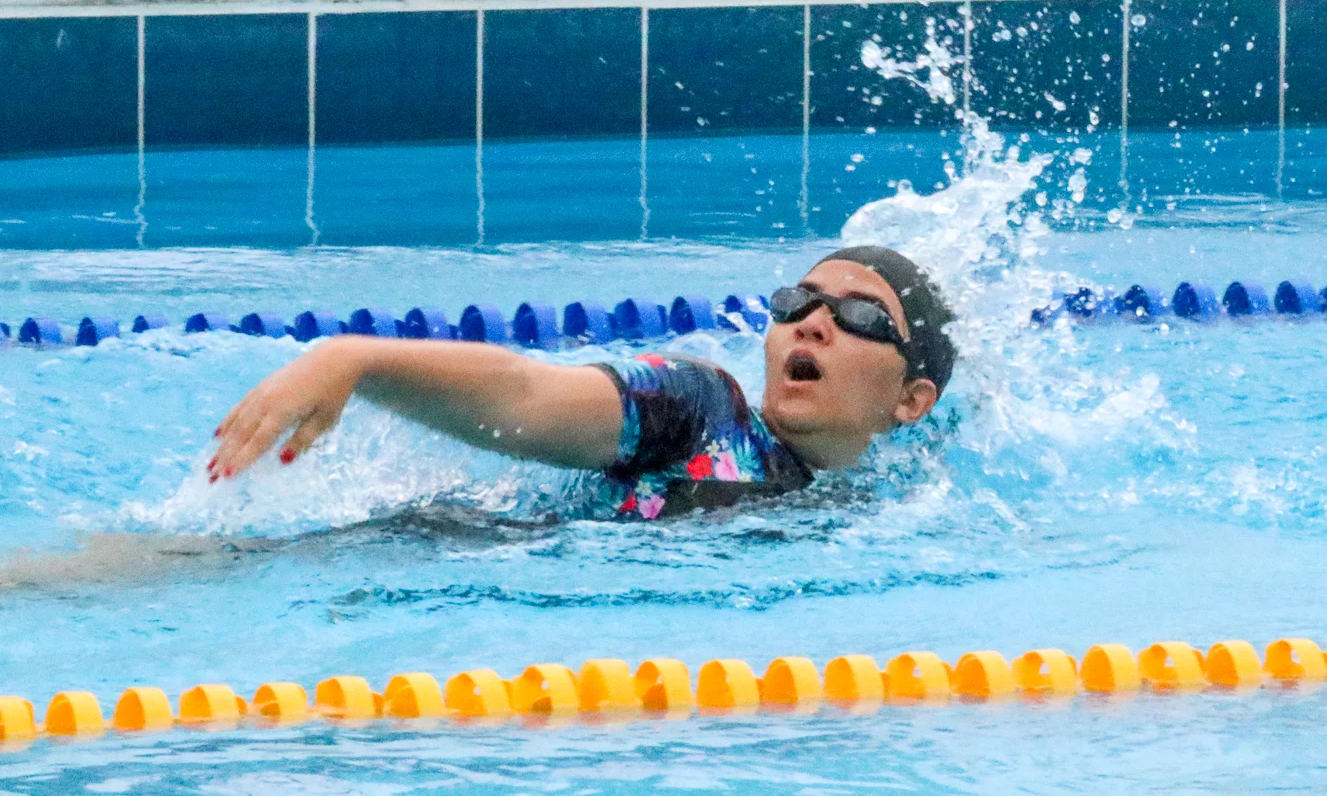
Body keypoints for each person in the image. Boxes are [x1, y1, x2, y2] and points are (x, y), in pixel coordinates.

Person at [207, 246, 955, 517]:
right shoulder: (699, 408)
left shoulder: (877, 499)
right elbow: (528, 394)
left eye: (860, 314)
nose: (813, 322)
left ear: (910, 401)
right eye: (796, 301)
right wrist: (352, 360)